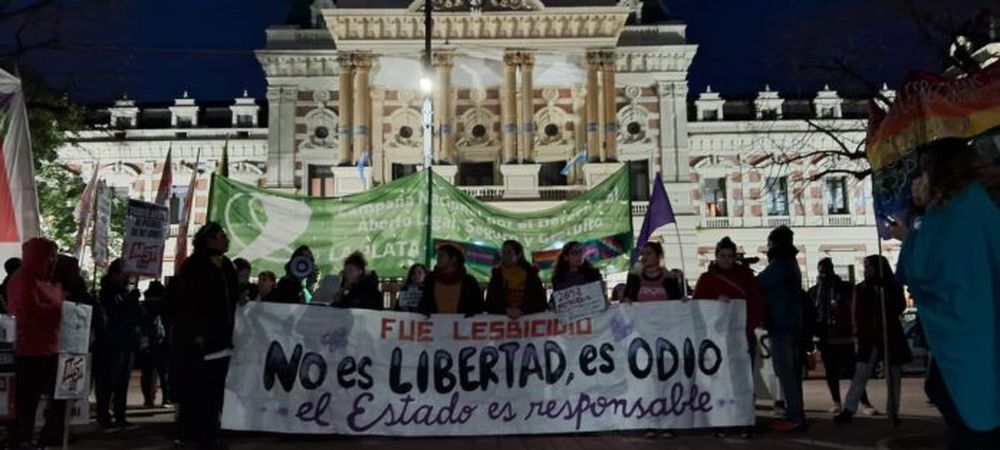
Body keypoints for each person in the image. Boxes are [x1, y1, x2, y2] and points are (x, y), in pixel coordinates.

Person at [890, 138, 1000, 448]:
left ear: (938, 174)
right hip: (982, 327)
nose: (914, 181)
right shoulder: (981, 204)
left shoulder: (951, 212)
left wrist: (908, 236)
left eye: (921, 173)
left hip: (967, 336)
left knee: (963, 406)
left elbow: (925, 271)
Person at [172, 222, 239, 450]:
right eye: (222, 237)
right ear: (210, 240)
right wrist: (196, 332)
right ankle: (194, 433)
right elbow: (186, 303)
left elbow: (234, 295)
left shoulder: (227, 265)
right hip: (201, 340)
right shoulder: (193, 266)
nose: (226, 240)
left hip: (223, 339)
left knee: (216, 390)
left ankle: (211, 433)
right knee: (199, 389)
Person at [693, 237, 766, 439]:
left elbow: (757, 305)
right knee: (719, 381)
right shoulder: (707, 279)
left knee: (744, 380)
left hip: (742, 337)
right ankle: (721, 421)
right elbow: (698, 306)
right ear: (716, 256)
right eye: (722, 256)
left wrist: (745, 326)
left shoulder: (747, 278)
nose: (726, 260)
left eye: (730, 256)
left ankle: (745, 421)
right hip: (716, 341)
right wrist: (715, 303)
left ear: (735, 257)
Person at [834, 255, 911, 425]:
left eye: (869, 266)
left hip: (890, 335)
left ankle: (893, 411)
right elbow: (856, 311)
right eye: (865, 266)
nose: (866, 270)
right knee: (860, 374)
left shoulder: (892, 286)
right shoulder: (861, 288)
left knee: (893, 376)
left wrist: (886, 294)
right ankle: (849, 409)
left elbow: (900, 306)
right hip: (868, 337)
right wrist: (857, 331)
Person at [6, 238, 66, 448]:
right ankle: (23, 438)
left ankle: (46, 437)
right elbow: (27, 311)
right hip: (29, 350)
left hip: (52, 348)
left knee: (58, 398)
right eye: (50, 256)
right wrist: (60, 311)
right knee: (27, 401)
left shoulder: (53, 282)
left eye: (55, 257)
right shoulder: (22, 278)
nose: (53, 261)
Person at [809, 258, 874, 415]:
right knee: (831, 371)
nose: (823, 274)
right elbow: (813, 312)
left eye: (826, 270)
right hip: (825, 336)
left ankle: (864, 402)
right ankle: (836, 401)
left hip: (844, 335)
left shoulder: (844, 288)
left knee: (853, 371)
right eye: (821, 271)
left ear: (832, 269)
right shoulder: (815, 291)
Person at [757, 226, 806, 431]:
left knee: (785, 369)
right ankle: (794, 411)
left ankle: (795, 415)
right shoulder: (789, 262)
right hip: (789, 322)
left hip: (782, 323)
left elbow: (759, 282)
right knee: (789, 370)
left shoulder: (781, 263)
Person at [96, 258, 143, 429]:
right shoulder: (108, 293)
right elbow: (116, 315)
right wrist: (130, 300)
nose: (128, 276)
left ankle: (120, 415)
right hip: (112, 343)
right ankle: (104, 415)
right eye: (125, 272)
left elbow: (136, 316)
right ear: (115, 274)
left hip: (127, 342)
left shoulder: (125, 292)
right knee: (109, 381)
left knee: (123, 382)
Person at [485, 240, 547, 319]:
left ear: (519, 255)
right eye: (503, 253)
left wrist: (522, 310)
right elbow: (489, 304)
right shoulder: (497, 276)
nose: (505, 256)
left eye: (509, 253)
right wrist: (506, 310)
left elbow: (541, 303)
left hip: (527, 323)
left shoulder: (531, 275)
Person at [418, 244, 484, 316]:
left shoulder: (469, 282)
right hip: (435, 325)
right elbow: (423, 303)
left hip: (461, 325)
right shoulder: (431, 279)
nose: (438, 258)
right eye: (437, 256)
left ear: (454, 259)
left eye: (442, 256)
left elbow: (478, 307)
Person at [139, 281, 171, 408]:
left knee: (147, 373)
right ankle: (166, 399)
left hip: (148, 343)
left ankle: (148, 399)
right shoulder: (165, 306)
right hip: (162, 342)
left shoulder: (144, 306)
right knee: (164, 373)